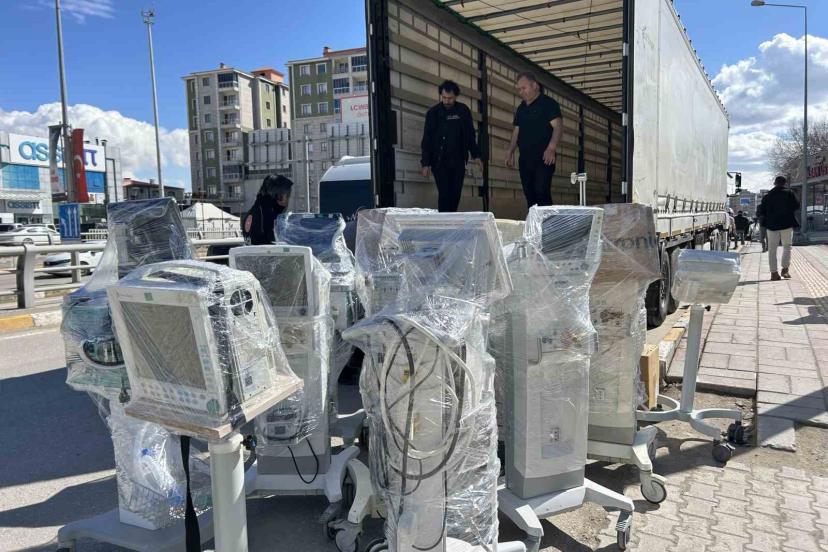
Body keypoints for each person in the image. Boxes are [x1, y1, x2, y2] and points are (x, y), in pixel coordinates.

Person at [420, 80, 482, 212]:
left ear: (456, 96)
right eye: (444, 98)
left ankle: (452, 218)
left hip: (458, 160)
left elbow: (470, 135)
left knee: (455, 194)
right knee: (444, 194)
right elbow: (427, 139)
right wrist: (425, 163)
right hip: (439, 161)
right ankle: (444, 221)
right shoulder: (433, 113)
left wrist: (476, 155)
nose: (447, 101)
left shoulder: (463, 111)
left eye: (450, 98)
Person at [505, 72, 563, 208]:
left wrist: (551, 148)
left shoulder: (548, 104)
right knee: (530, 195)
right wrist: (510, 151)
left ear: (535, 86)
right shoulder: (521, 108)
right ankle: (534, 221)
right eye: (519, 89)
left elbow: (558, 126)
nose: (521, 92)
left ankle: (547, 221)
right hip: (525, 159)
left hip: (544, 158)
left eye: (524, 88)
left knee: (541, 192)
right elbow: (516, 131)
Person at [759, 175, 799, 280]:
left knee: (772, 249)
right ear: (784, 183)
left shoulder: (767, 196)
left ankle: (774, 273)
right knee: (787, 247)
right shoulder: (789, 193)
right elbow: (796, 206)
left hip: (771, 226)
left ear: (775, 183)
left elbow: (762, 211)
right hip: (787, 224)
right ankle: (785, 270)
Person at [243, 174, 293, 245]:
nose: (287, 201)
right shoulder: (269, 215)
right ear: (276, 195)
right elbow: (276, 244)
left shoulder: (254, 211)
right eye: (287, 196)